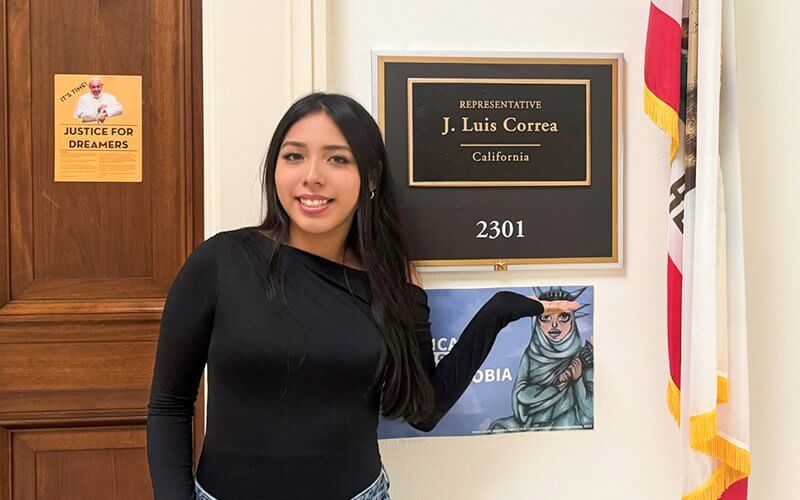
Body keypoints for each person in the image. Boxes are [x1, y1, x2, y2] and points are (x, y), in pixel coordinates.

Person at [145, 92, 580, 499]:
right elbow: (170, 404)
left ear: (369, 177)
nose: (312, 176)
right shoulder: (220, 262)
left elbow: (423, 411)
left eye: (337, 159)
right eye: (294, 156)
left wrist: (499, 310)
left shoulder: (391, 282)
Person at [488, 286, 593, 432]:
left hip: (565, 422)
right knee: (497, 427)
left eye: (563, 317)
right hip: (529, 422)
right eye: (545, 317)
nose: (554, 324)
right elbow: (520, 395)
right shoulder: (531, 354)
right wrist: (555, 386)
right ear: (537, 322)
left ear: (572, 321)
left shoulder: (582, 357)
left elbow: (589, 413)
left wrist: (577, 380)